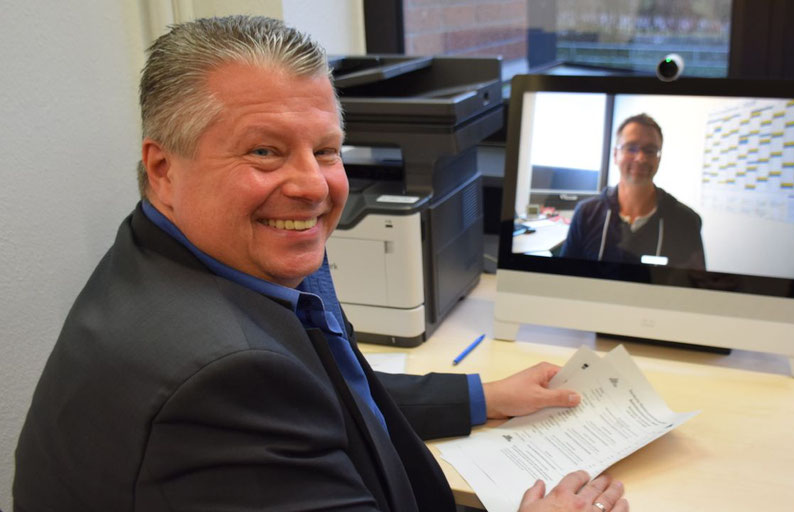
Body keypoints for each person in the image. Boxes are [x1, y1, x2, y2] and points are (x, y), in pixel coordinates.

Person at [14, 16, 628, 512]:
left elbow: (325, 391)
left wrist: (481, 396)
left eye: (327, 150)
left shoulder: (185, 259)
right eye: (265, 151)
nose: (314, 187)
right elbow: (270, 392)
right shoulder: (221, 382)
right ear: (163, 169)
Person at [561, 113, 706, 270]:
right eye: (631, 148)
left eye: (650, 150)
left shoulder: (686, 222)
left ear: (659, 158)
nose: (640, 158)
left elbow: (693, 288)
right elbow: (564, 278)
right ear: (616, 155)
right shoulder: (586, 214)